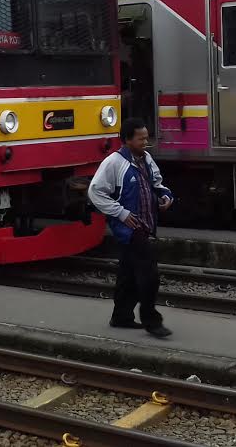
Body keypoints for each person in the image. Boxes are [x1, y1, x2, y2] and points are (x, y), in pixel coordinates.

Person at [88, 118, 175, 338]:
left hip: (144, 224)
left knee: (127, 273)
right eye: (141, 138)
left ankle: (121, 316)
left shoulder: (146, 159)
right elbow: (95, 192)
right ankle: (151, 320)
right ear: (127, 140)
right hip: (130, 227)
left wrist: (166, 196)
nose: (146, 142)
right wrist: (121, 213)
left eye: (147, 137)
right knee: (149, 274)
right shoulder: (114, 162)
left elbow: (157, 184)